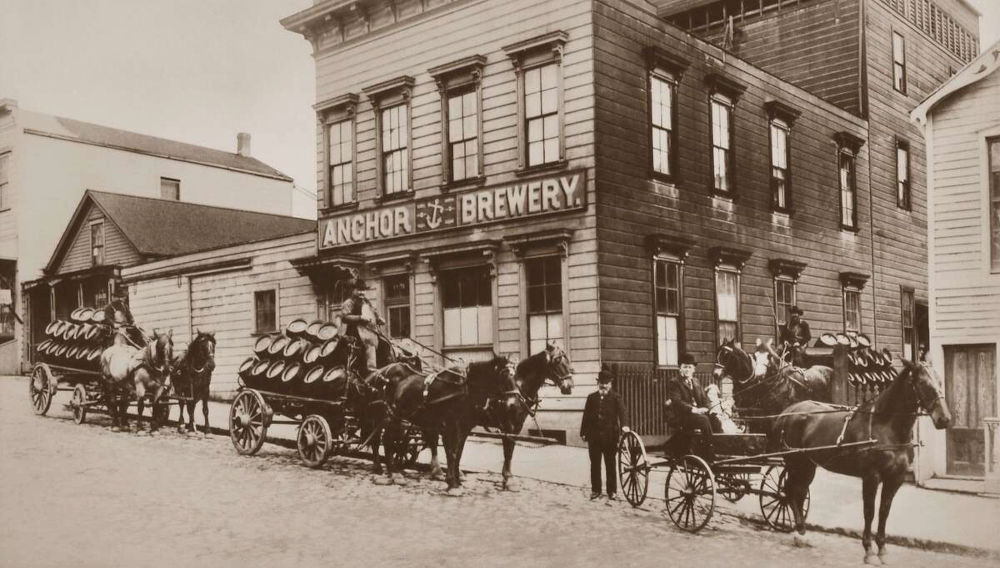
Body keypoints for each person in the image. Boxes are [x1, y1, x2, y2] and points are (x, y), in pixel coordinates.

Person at [580, 368, 629, 501]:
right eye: (601, 383)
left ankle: (612, 491)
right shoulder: (591, 397)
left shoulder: (616, 397)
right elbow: (586, 415)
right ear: (598, 383)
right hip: (594, 437)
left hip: (610, 437)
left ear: (610, 384)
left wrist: (624, 425)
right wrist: (583, 432)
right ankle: (596, 490)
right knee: (595, 464)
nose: (604, 385)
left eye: (606, 383)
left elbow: (622, 412)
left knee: (610, 464)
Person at [666, 353, 721, 449]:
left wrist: (710, 409)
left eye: (690, 367)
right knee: (704, 420)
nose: (687, 370)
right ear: (680, 368)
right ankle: (709, 449)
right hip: (682, 416)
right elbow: (677, 402)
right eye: (685, 367)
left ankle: (720, 447)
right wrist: (694, 410)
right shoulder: (675, 382)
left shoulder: (696, 381)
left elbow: (704, 399)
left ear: (694, 369)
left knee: (715, 420)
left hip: (697, 415)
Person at [339, 279, 384, 377]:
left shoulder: (366, 302)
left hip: (369, 331)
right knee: (369, 346)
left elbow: (373, 313)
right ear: (353, 290)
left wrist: (379, 319)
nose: (361, 292)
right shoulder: (349, 302)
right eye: (359, 290)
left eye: (363, 290)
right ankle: (371, 370)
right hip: (355, 333)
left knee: (384, 344)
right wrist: (360, 318)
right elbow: (345, 317)